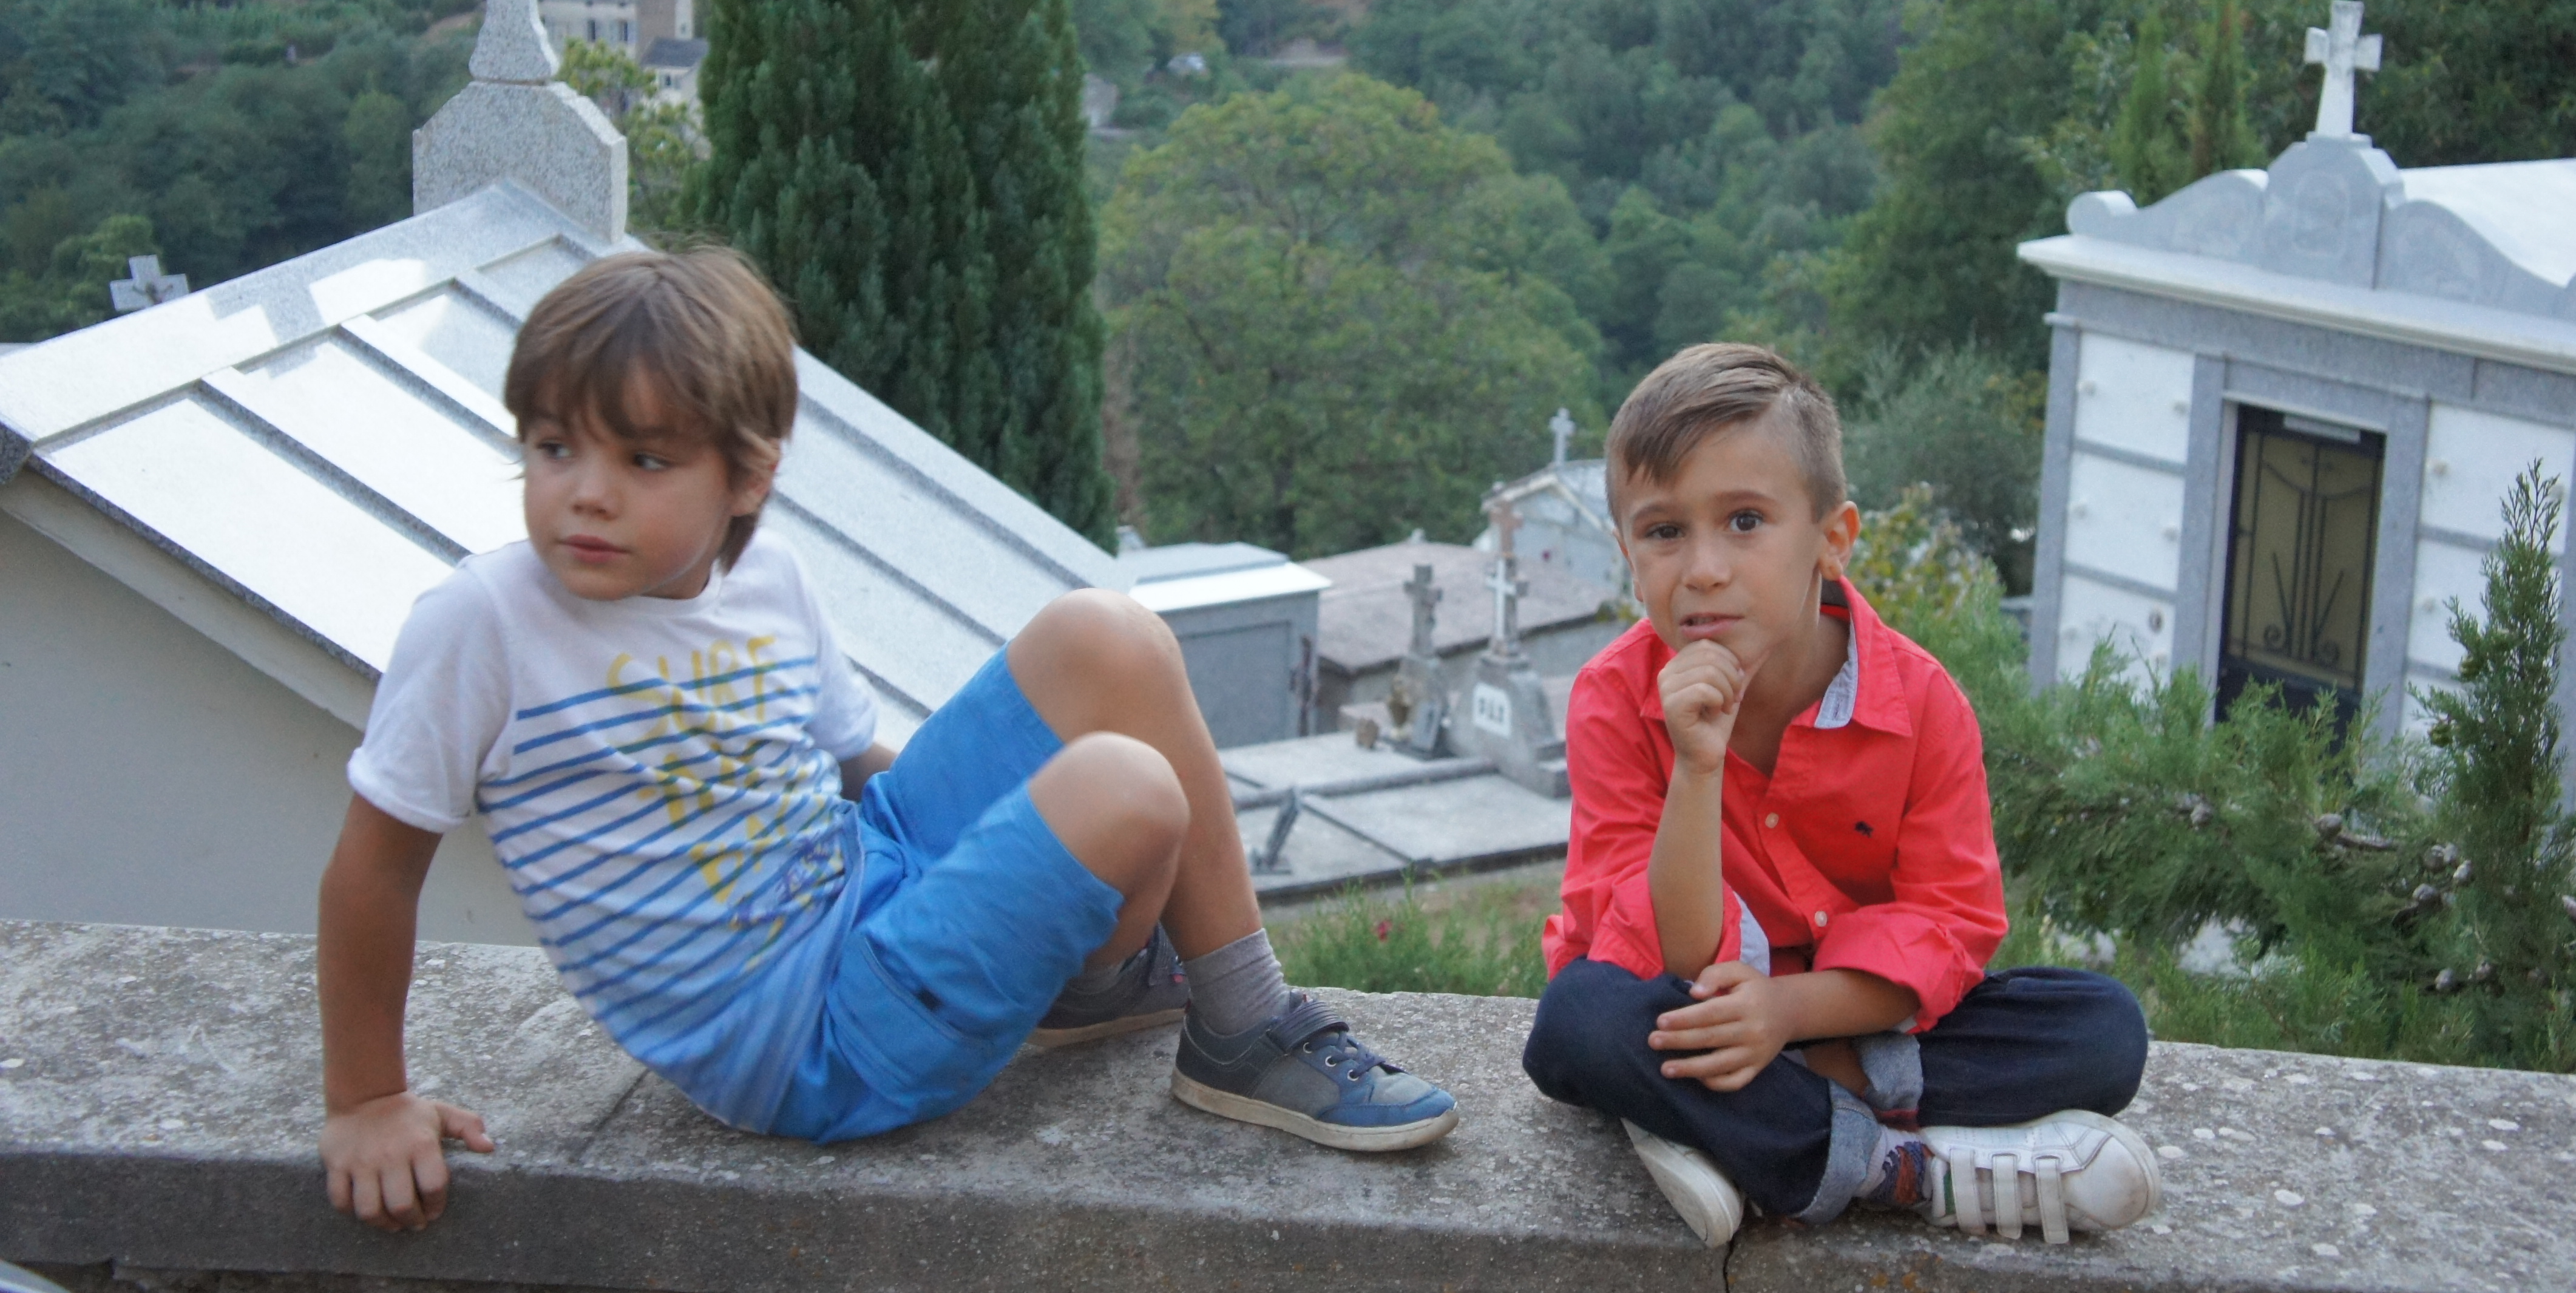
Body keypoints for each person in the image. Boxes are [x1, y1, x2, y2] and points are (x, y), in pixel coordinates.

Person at [316, 249, 1456, 1232]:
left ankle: (1162, 996)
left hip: (863, 880)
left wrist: (1013, 876)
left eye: (644, 461)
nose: (586, 495)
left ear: (748, 476)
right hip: (811, 1045)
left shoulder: (768, 577)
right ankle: (1212, 1024)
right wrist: (365, 1099)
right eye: (555, 448)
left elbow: (862, 772)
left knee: (1107, 634)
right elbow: (375, 870)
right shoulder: (483, 625)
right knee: (1127, 792)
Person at [1522, 343, 2157, 1247]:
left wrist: (1787, 1014)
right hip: (1689, 1010)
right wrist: (1697, 770)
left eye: (1745, 521)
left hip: (1847, 1014)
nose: (1703, 568)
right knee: (1578, 1023)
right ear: (1629, 554)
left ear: (1833, 539)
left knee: (2102, 1031)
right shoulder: (1613, 699)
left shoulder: (1922, 703)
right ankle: (1908, 1169)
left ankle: (1740, 1129)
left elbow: (1949, 927)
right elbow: (1670, 958)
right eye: (1664, 532)